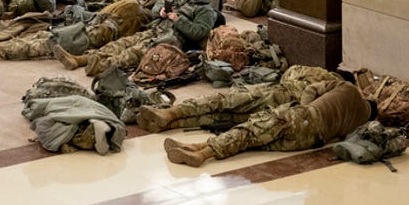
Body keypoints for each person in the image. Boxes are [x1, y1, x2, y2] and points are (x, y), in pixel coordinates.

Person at [163, 80, 371, 167]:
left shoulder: (348, 88)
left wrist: (304, 108)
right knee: (253, 140)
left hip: (302, 116)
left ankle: (202, 153)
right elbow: (344, 141)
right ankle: (198, 148)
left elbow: (311, 89)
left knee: (250, 130)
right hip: (311, 140)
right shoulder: (361, 124)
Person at [55, 0, 218, 75]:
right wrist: (159, 11)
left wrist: (178, 19)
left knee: (131, 54)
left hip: (168, 41)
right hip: (154, 30)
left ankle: (99, 66)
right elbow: (157, 4)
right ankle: (80, 60)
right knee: (119, 44)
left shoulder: (206, 11)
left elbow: (199, 32)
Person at [138, 64, 344, 131]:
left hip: (272, 92)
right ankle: (171, 120)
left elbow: (289, 73)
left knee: (222, 103)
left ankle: (169, 115)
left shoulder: (315, 73)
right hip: (279, 105)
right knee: (225, 118)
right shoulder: (332, 84)